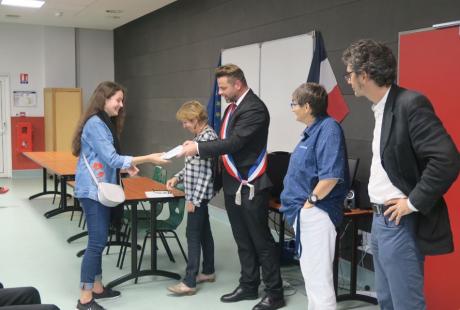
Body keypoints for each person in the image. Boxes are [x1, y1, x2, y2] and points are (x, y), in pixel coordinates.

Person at [342, 39, 460, 310]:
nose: (348, 80)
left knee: (406, 304)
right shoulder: (381, 108)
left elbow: (447, 159)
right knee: (386, 300)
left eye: (350, 74)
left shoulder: (410, 104)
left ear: (365, 74)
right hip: (380, 220)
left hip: (399, 223)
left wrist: (412, 202)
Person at [180, 64, 284, 310]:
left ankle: (275, 293)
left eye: (224, 87)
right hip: (232, 184)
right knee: (242, 240)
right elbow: (224, 145)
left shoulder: (255, 109)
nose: (220, 92)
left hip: (251, 185)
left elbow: (234, 143)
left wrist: (198, 148)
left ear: (238, 84)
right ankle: (249, 285)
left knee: (261, 241)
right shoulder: (231, 109)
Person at [71, 81, 169, 310]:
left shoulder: (103, 123)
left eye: (122, 100)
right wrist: (147, 158)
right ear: (103, 100)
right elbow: (112, 158)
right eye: (118, 100)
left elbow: (106, 158)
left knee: (100, 239)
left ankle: (97, 287)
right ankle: (85, 298)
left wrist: (125, 168)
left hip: (99, 189)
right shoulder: (96, 124)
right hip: (93, 191)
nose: (121, 105)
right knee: (96, 242)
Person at [279, 83, 349, 310]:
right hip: (305, 213)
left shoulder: (329, 129)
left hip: (317, 214)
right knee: (311, 275)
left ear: (307, 106)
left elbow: (330, 177)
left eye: (293, 104)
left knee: (319, 278)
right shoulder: (312, 130)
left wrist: (310, 204)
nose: (291, 108)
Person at [166, 100, 218, 295]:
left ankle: (189, 282)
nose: (184, 125)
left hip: (198, 197)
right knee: (204, 233)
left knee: (192, 235)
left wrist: (193, 201)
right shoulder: (199, 137)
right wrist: (176, 177)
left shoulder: (206, 139)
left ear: (195, 119)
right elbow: (192, 168)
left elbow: (206, 175)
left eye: (186, 122)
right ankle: (208, 271)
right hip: (197, 196)